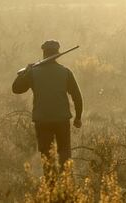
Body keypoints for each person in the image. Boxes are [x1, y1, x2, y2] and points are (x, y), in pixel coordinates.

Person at [12, 40, 83, 168]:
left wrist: (26, 72)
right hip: (62, 120)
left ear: (44, 54)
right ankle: (66, 185)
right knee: (65, 154)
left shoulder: (33, 72)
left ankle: (51, 186)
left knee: (47, 157)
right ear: (58, 53)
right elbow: (77, 97)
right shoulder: (65, 72)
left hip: (42, 121)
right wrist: (78, 117)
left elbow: (16, 89)